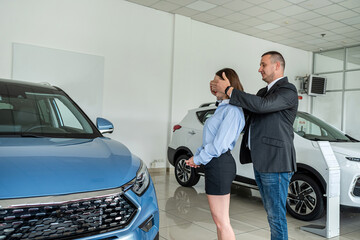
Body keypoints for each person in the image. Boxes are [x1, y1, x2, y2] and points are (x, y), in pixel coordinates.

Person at [210, 51, 298, 240]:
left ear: (277, 65)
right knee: (271, 214)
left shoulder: (288, 90)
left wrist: (230, 90)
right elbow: (247, 112)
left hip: (277, 163)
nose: (259, 69)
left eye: (263, 65)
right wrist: (221, 95)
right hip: (262, 161)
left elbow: (262, 106)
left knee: (276, 217)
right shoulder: (262, 93)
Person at [185, 68, 245, 240]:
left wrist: (198, 158)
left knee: (222, 222)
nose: (212, 85)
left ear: (228, 83)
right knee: (219, 220)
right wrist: (197, 157)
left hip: (220, 164)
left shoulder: (232, 110)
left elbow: (219, 145)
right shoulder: (222, 108)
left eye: (216, 82)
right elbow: (209, 141)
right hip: (216, 164)